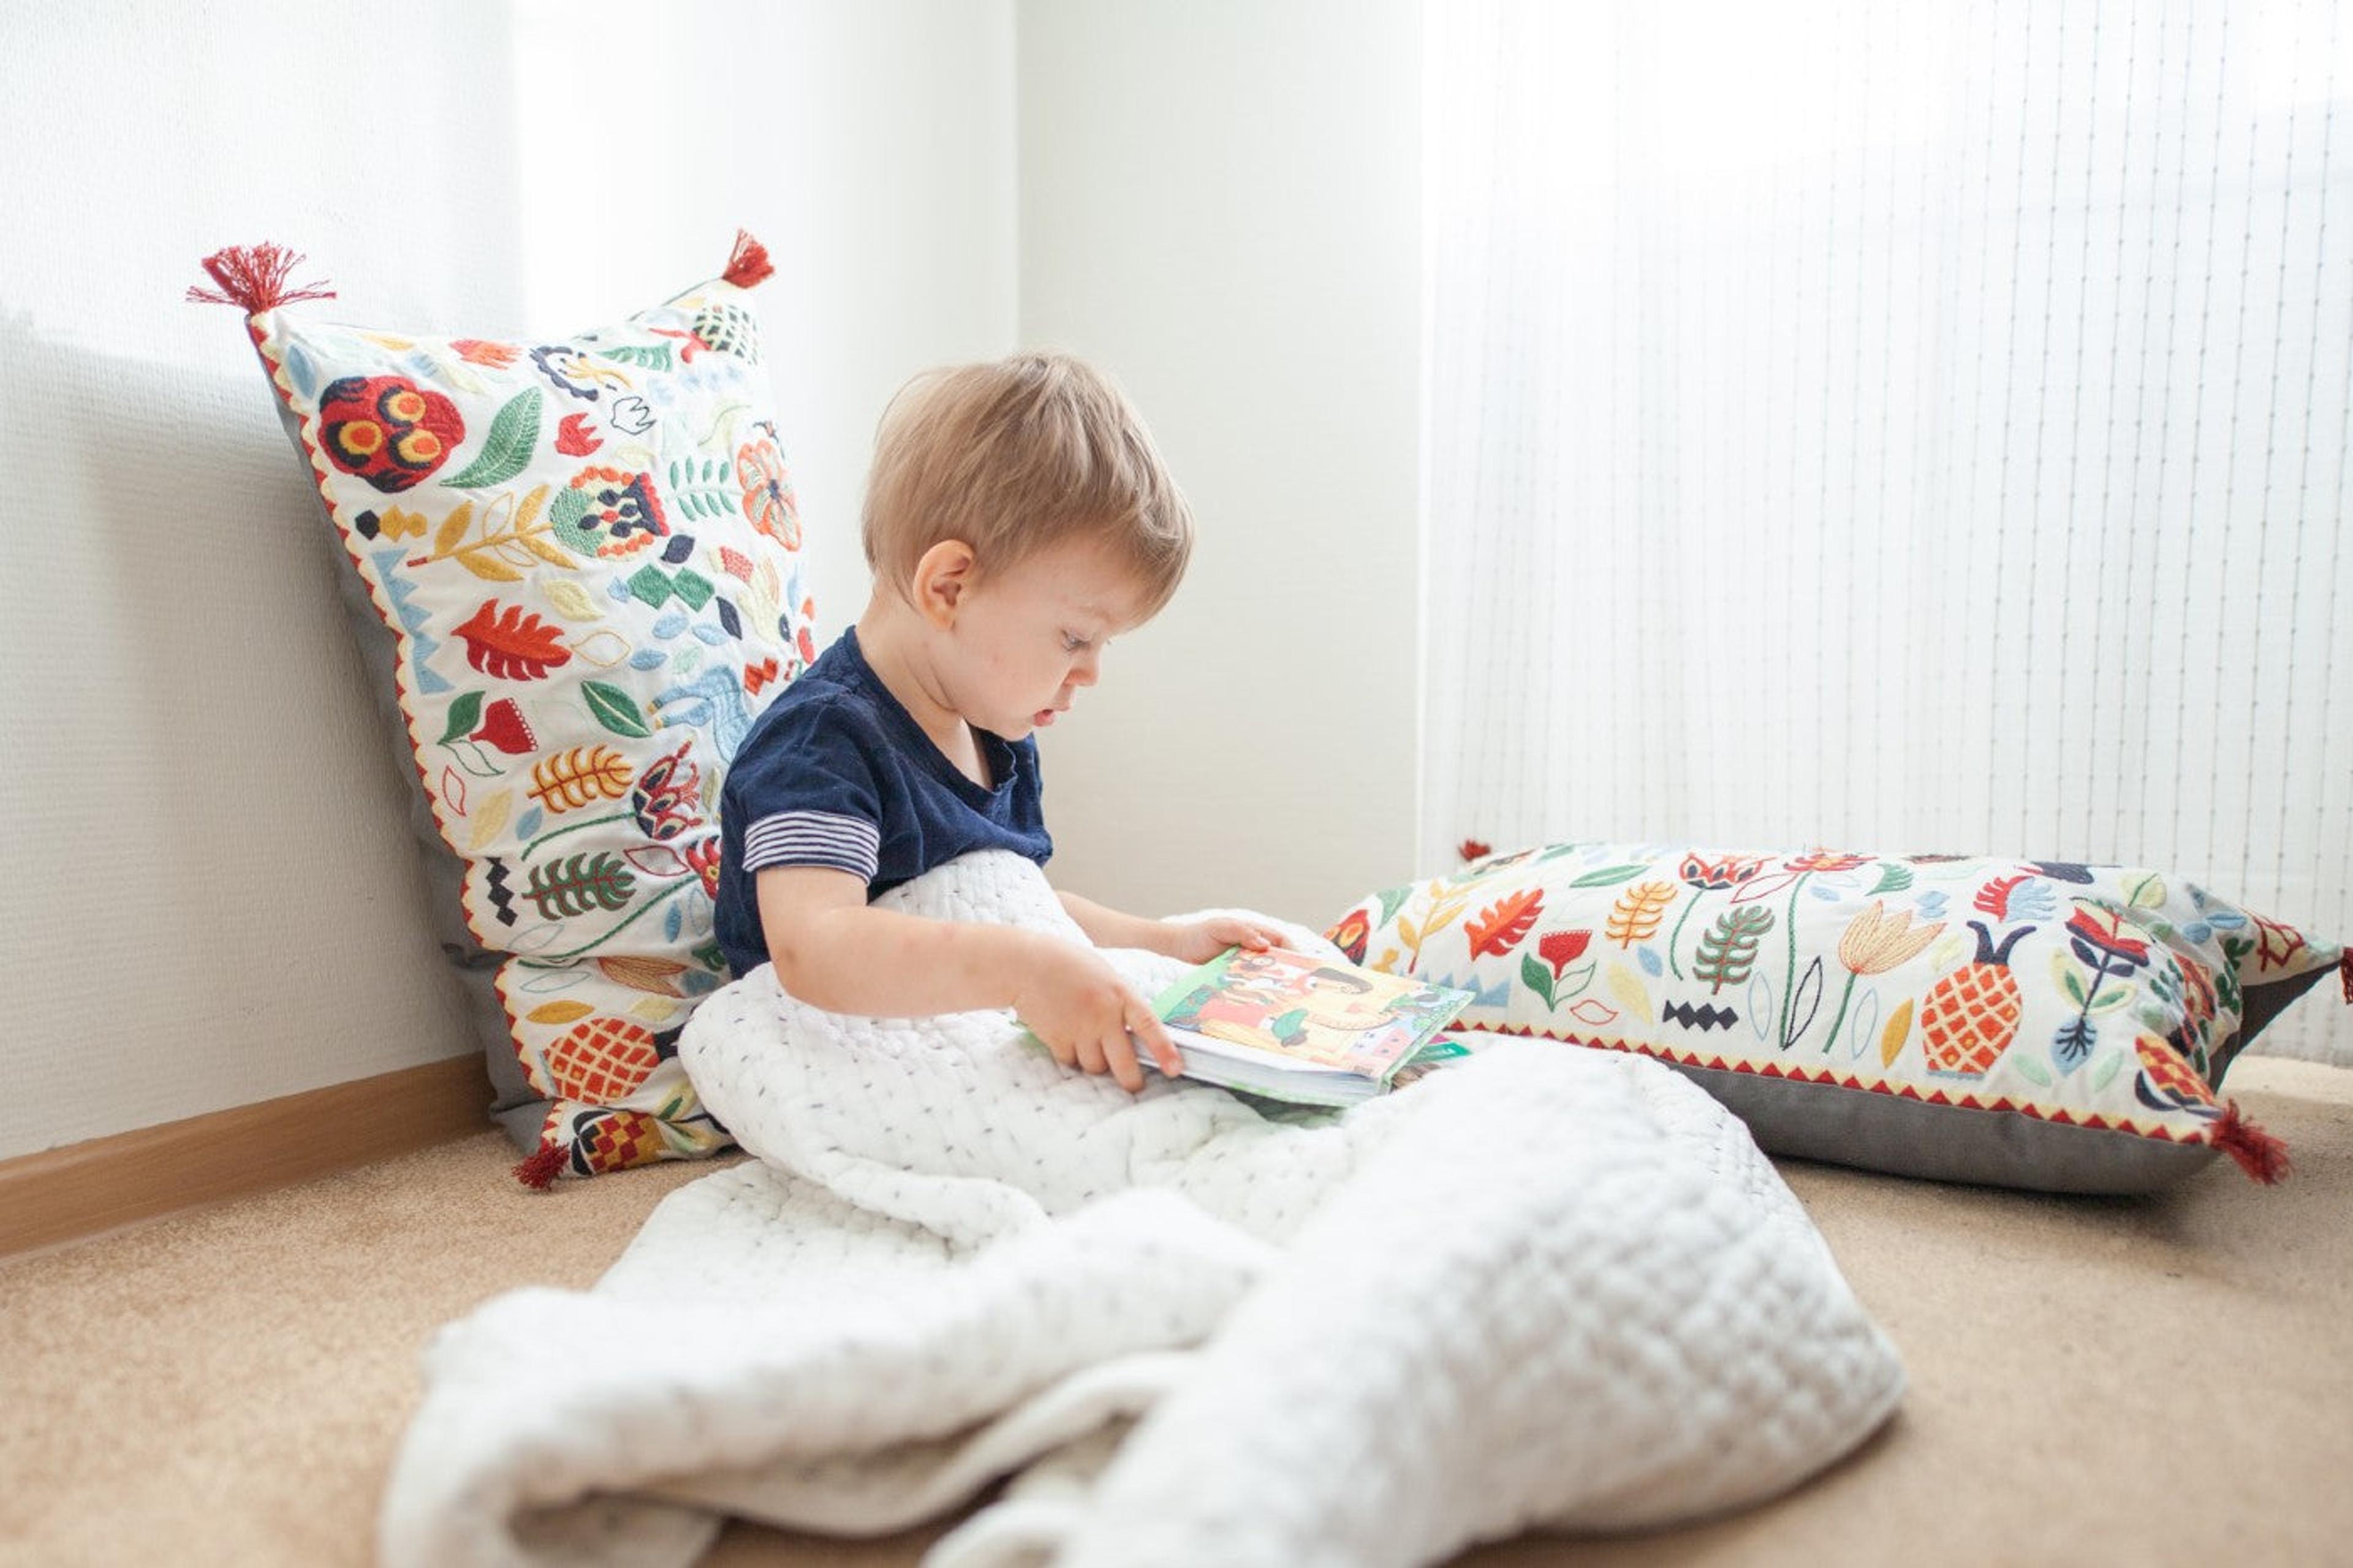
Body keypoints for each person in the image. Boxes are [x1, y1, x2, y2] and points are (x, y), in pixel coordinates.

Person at [714, 352, 1287, 1093]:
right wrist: (1027, 974)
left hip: (951, 1034)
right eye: (1076, 639)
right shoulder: (822, 744)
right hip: (822, 1058)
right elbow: (814, 950)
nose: (1091, 674)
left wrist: (1165, 941)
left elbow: (1019, 910)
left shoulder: (998, 735)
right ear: (950, 587)